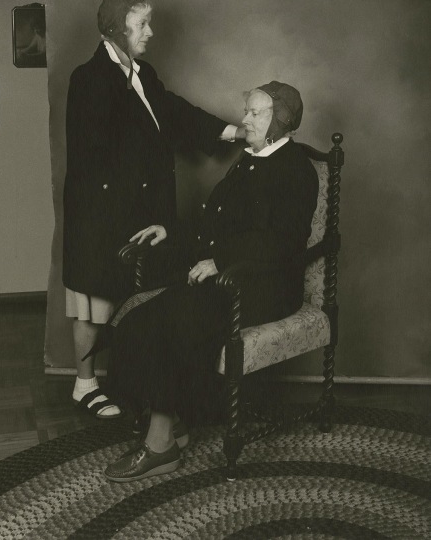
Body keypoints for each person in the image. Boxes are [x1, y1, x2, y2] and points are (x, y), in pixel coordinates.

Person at [102, 81, 319, 482]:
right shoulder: (250, 159)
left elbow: (284, 242)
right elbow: (214, 224)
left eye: (256, 113)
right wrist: (172, 232)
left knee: (175, 321)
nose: (245, 120)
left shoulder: (295, 169)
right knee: (144, 318)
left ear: (281, 121)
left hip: (266, 285)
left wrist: (221, 260)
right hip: (230, 279)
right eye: (247, 111)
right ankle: (172, 423)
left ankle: (160, 447)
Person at [63, 0, 245, 419]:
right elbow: (95, 154)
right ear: (115, 30)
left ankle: (129, 385)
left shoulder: (143, 73)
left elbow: (176, 113)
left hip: (142, 215)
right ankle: (83, 384)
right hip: (100, 213)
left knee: (133, 301)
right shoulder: (89, 79)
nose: (151, 32)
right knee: (94, 300)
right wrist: (128, 212)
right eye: (142, 24)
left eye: (148, 23)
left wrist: (231, 132)